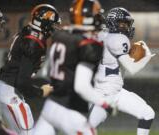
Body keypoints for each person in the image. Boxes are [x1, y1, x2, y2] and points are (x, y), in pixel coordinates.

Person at [33, 0, 116, 135]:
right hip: (70, 111)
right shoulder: (88, 45)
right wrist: (106, 104)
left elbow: (47, 72)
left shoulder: (61, 35)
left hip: (50, 106)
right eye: (97, 15)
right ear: (89, 18)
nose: (100, 19)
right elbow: (81, 87)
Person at [0, 4, 61, 135]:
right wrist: (41, 91)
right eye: (53, 24)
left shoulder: (28, 31)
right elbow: (22, 82)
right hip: (10, 93)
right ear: (45, 22)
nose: (54, 28)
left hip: (6, 90)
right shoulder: (34, 41)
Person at [88, 7, 155, 135]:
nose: (127, 27)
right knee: (84, 130)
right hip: (103, 95)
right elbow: (132, 68)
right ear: (113, 23)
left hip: (116, 92)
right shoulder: (117, 39)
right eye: (123, 23)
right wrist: (147, 57)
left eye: (127, 24)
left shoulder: (105, 36)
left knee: (147, 113)